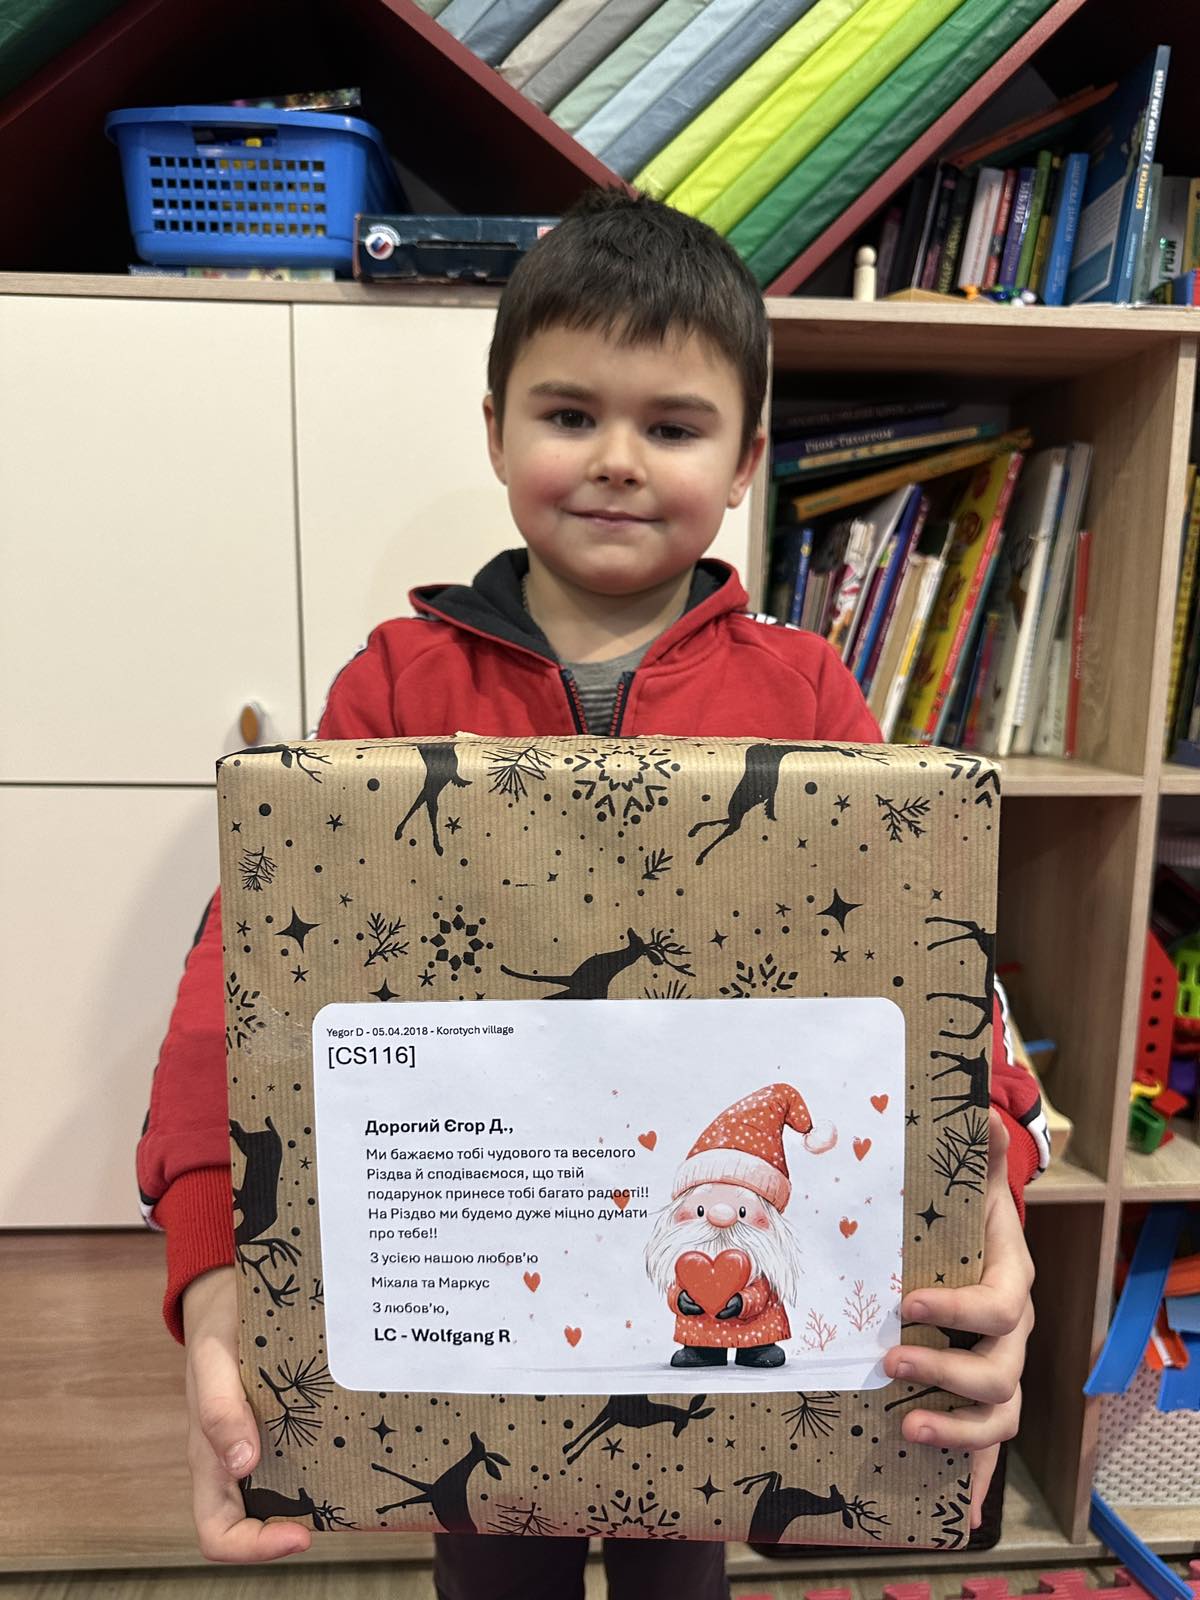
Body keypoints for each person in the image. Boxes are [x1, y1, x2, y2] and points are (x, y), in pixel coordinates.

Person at [138, 188, 1046, 1600]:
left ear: (746, 461)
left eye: (673, 427)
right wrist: (215, 1266)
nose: (618, 460)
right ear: (495, 430)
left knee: (687, 1553)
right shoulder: (393, 686)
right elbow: (246, 986)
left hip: (711, 1291)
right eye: (570, 415)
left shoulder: (808, 692)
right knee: (491, 1562)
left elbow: (927, 972)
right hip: (474, 1271)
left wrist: (993, 1191)